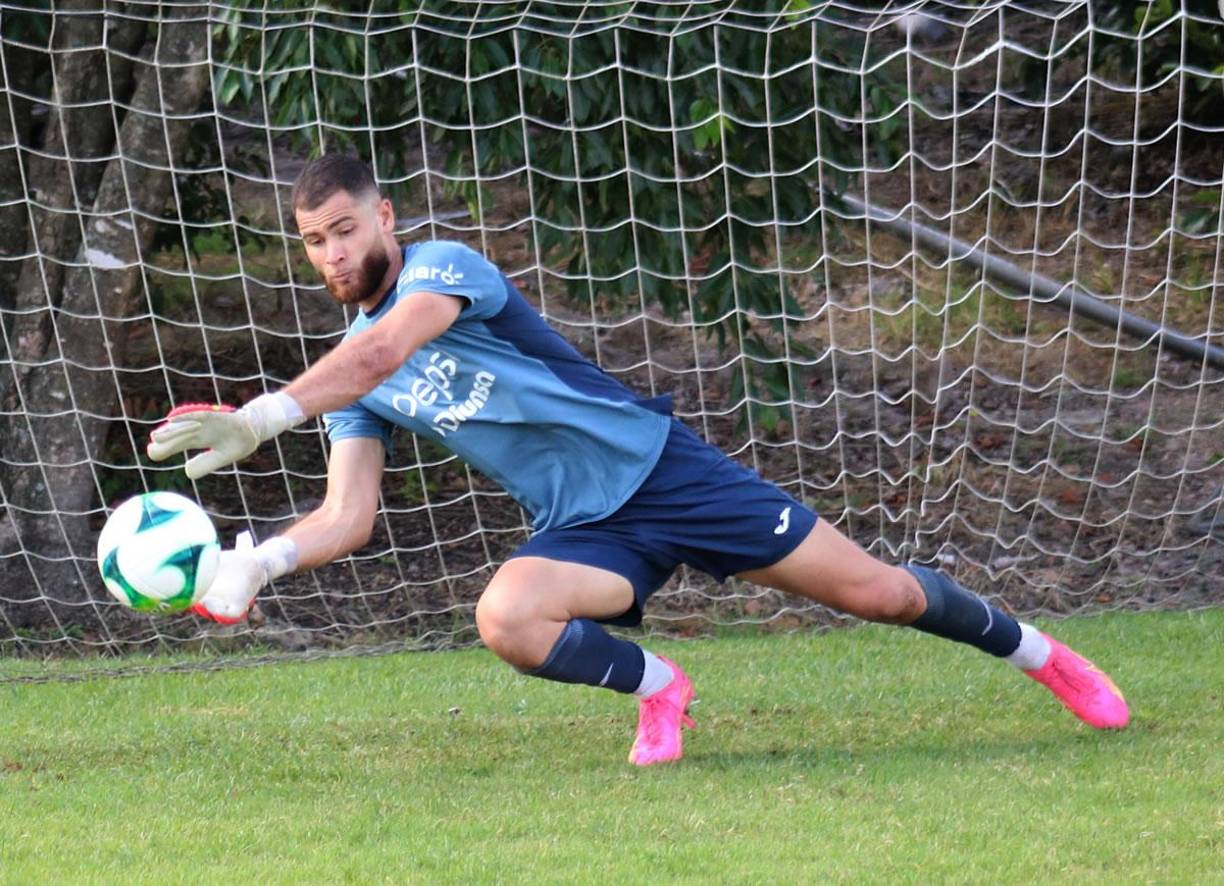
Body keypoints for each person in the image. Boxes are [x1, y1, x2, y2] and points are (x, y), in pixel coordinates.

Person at [147, 155, 1129, 766]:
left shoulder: (442, 270)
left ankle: (1046, 657)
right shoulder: (346, 382)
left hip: (669, 475)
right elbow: (347, 515)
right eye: (313, 241)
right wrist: (259, 560)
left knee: (883, 596)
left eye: (344, 229)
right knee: (507, 617)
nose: (330, 253)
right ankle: (660, 687)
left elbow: (382, 349)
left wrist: (265, 412)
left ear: (386, 218)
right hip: (585, 529)